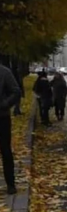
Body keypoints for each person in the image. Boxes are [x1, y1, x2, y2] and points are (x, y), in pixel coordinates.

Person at [0, 60, 22, 195]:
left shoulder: (4, 72)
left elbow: (15, 91)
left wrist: (4, 104)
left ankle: (10, 184)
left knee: (5, 151)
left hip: (1, 118)